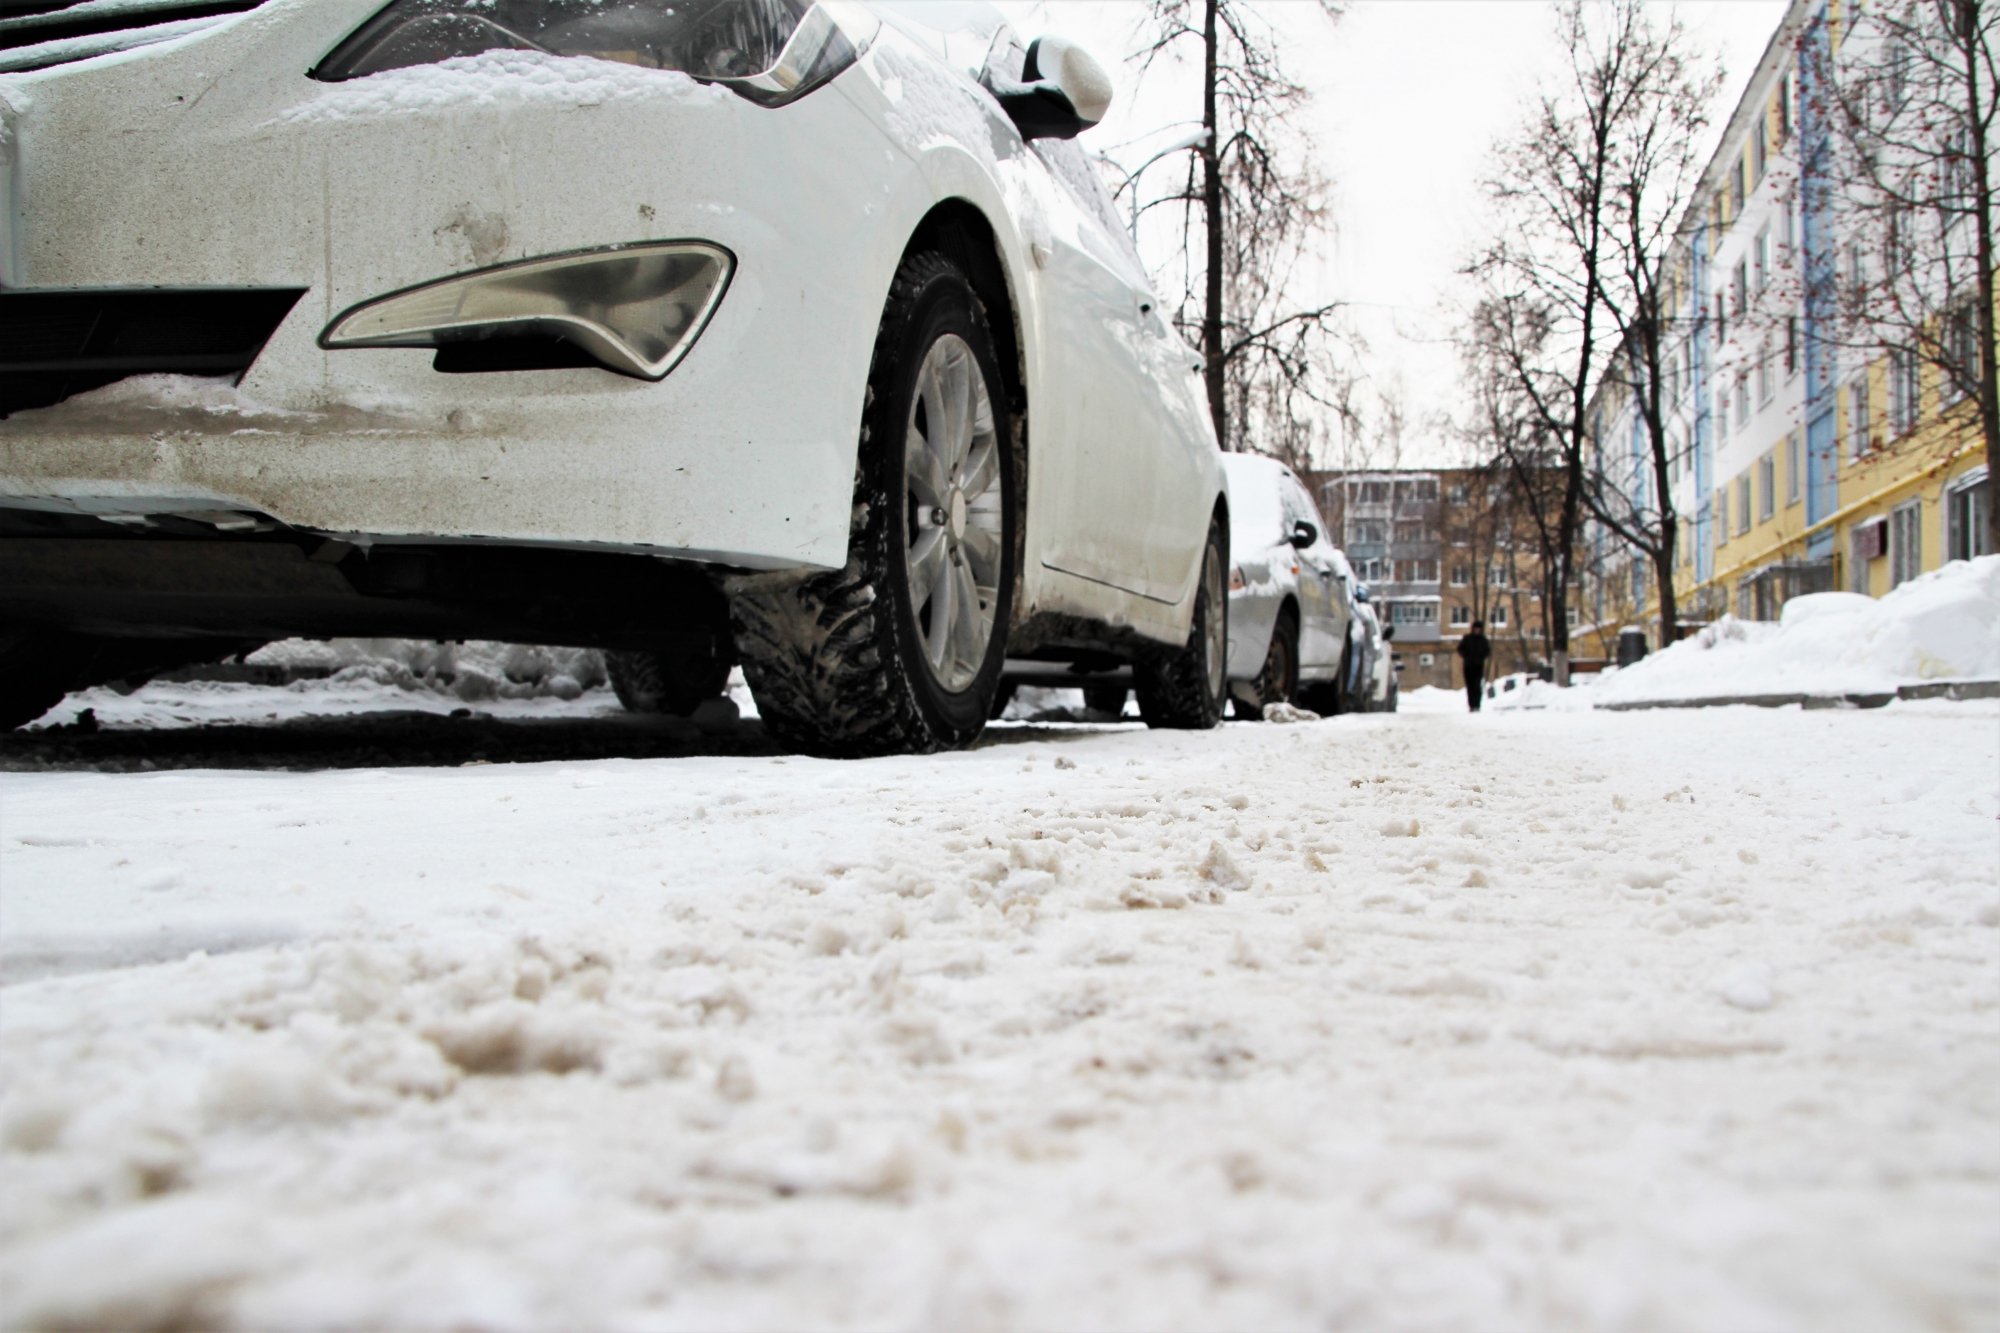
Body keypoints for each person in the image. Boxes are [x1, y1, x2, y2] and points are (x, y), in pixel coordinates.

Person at [1456, 620, 1490, 713]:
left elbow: (1487, 651)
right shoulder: (1467, 639)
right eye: (1475, 628)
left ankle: (1477, 705)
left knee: (1477, 686)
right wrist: (1466, 656)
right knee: (1470, 686)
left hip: (1478, 666)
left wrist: (1481, 657)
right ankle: (1471, 705)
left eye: (1478, 629)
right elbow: (1460, 649)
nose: (1477, 630)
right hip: (1468, 665)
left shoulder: (1483, 640)